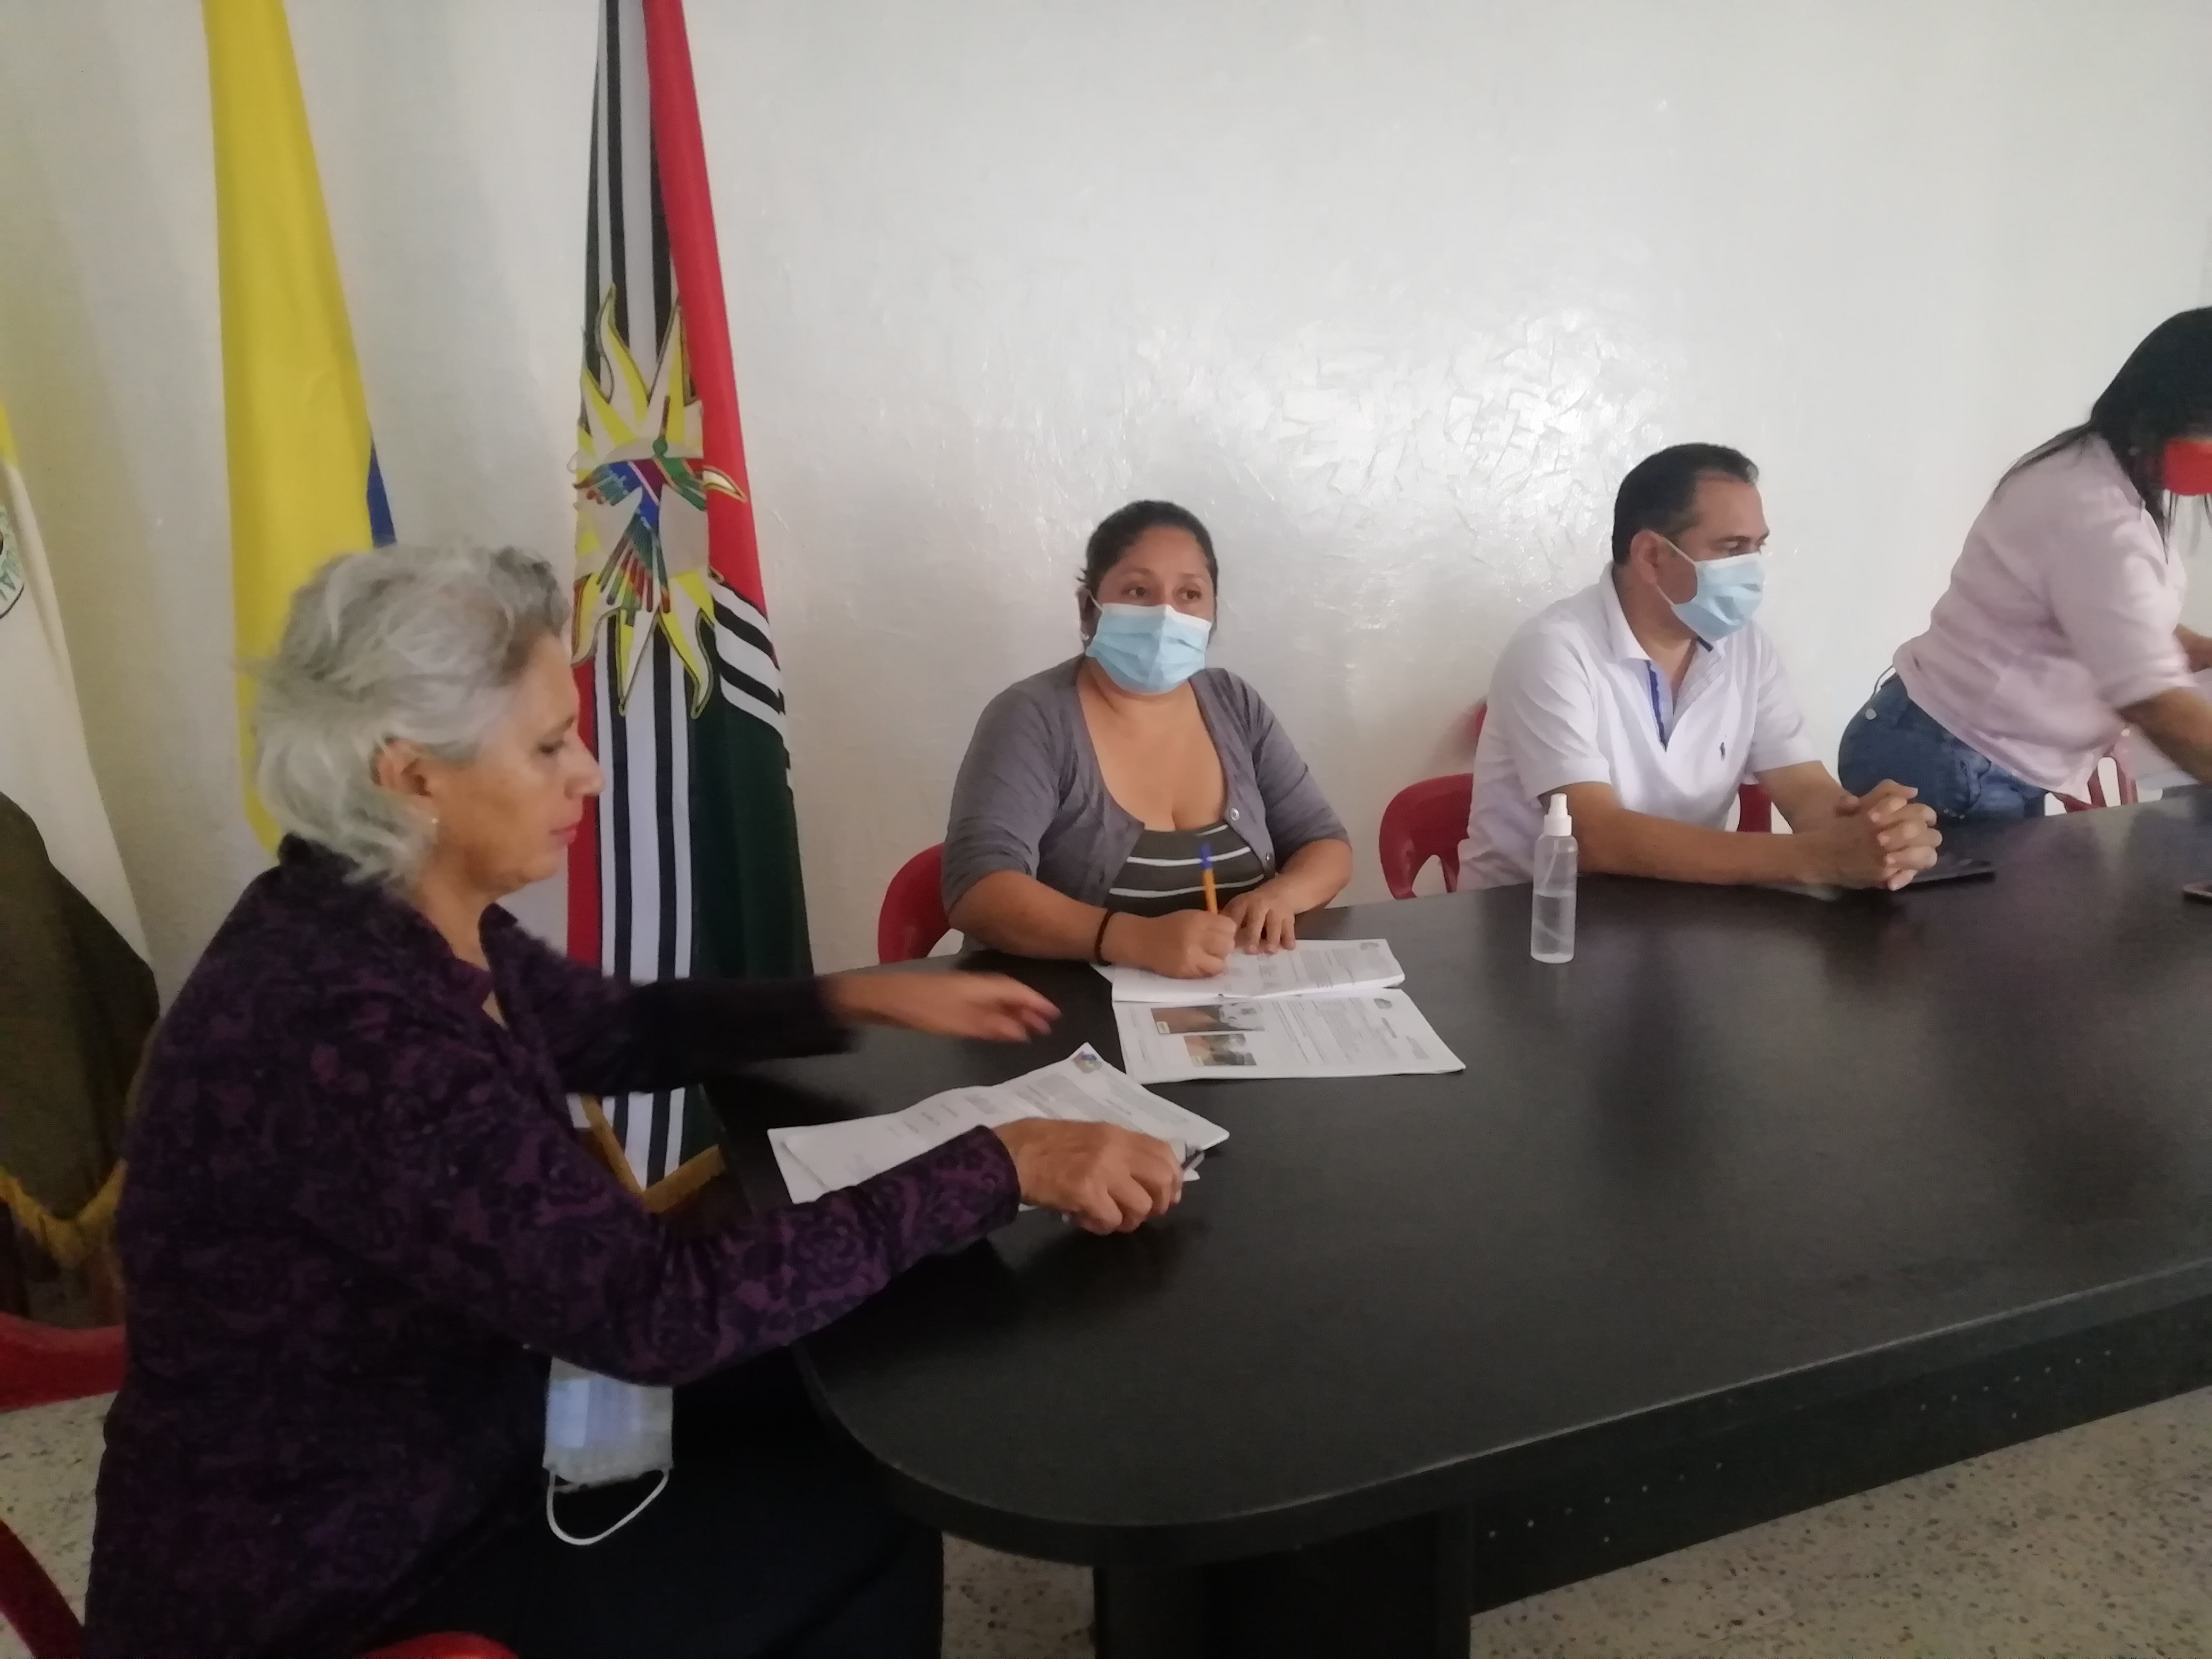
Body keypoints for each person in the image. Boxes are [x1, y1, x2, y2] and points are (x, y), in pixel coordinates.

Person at [83, 545, 1187, 1659]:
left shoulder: (380, 912)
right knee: (859, 1501)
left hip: (476, 1415)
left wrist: (849, 996)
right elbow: (660, 1314)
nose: (591, 776)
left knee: (847, 1375)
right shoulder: (354, 1033)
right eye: (549, 746)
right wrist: (1000, 1163)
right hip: (359, 1570)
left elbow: (610, 1027)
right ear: (413, 776)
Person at [1461, 443, 1942, 890]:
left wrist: (1875, 830)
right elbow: (1595, 836)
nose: (1752, 570)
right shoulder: (1554, 650)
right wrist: (1818, 857)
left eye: (1757, 547)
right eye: (1732, 549)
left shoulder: (1747, 646)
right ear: (1652, 556)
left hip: (1676, 914)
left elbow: (1801, 786)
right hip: (1533, 919)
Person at [943, 500, 1352, 979]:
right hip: (1068, 1012)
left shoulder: (1234, 703)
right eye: (1138, 591)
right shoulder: (1031, 716)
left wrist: (1282, 895)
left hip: (1236, 1003)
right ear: (1088, 608)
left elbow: (1325, 844)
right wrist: (1132, 939)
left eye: (1190, 594)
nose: (1166, 615)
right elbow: (979, 889)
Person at [1839, 308, 2212, 822]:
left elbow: (2129, 622)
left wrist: (2203, 651)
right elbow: (2152, 700)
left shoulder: (2106, 477)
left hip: (1979, 755)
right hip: (1950, 759)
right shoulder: (2093, 510)